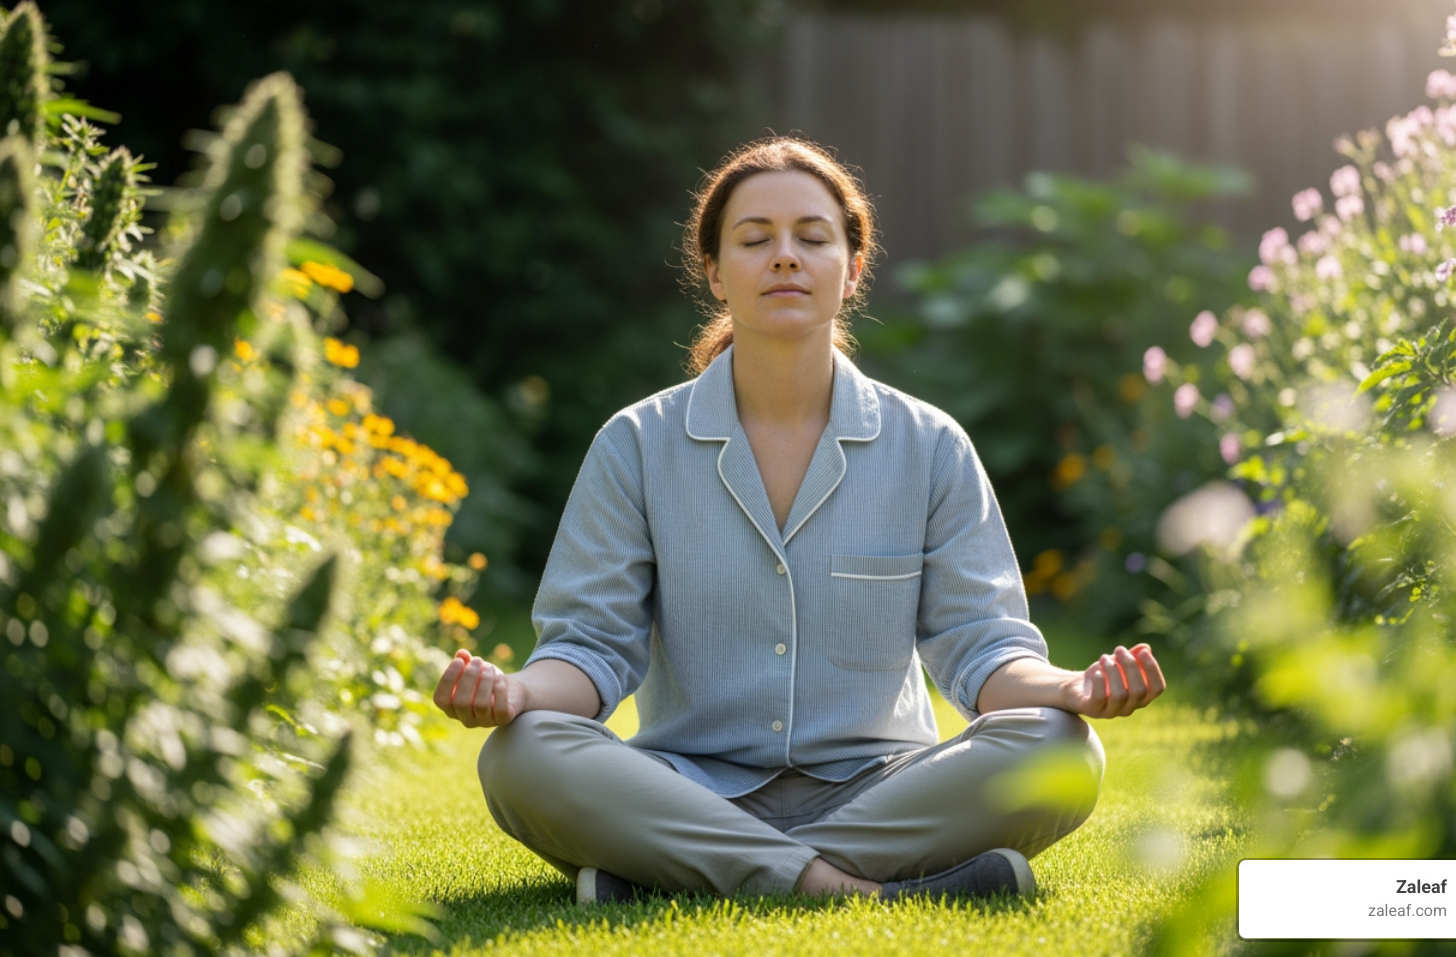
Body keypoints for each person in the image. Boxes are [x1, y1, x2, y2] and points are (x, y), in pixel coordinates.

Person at [433, 137, 1165, 903]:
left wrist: (1071, 689)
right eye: (755, 240)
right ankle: (852, 889)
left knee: (1058, 745)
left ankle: (679, 873)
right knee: (522, 755)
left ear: (852, 270)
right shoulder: (635, 446)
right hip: (687, 786)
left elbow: (984, 650)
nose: (785, 257)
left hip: (884, 790)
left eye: (812, 238)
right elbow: (589, 650)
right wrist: (517, 694)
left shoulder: (931, 446)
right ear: (715, 272)